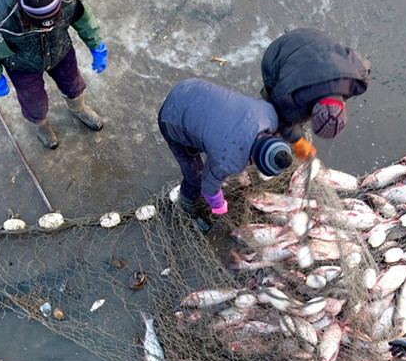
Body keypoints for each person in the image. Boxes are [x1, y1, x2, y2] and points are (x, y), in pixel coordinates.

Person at [0, 0, 108, 150]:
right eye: (41, 25)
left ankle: (78, 108)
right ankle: (40, 124)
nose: (46, 29)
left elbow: (84, 19)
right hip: (21, 64)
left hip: (60, 49)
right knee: (34, 102)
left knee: (73, 84)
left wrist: (96, 45)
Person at [158, 78, 293, 231]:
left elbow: (244, 139)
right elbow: (208, 187)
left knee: (207, 140)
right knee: (195, 178)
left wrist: (240, 170)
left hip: (192, 87)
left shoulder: (269, 115)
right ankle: (187, 208)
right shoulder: (228, 160)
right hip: (171, 118)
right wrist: (219, 205)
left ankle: (196, 141)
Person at [261, 28, 371, 160]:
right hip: (278, 51)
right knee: (273, 111)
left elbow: (363, 64)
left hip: (312, 36)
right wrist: (298, 140)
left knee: (289, 115)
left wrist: (342, 94)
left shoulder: (358, 80)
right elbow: (278, 116)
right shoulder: (291, 101)